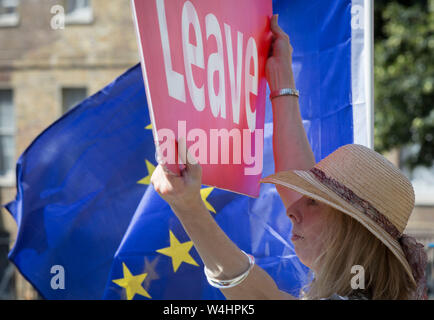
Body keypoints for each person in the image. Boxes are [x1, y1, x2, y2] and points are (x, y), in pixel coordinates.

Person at [150, 15, 427, 300]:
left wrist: (189, 207)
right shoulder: (360, 284)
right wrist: (281, 81)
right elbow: (295, 183)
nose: (292, 210)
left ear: (351, 228)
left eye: (314, 201)